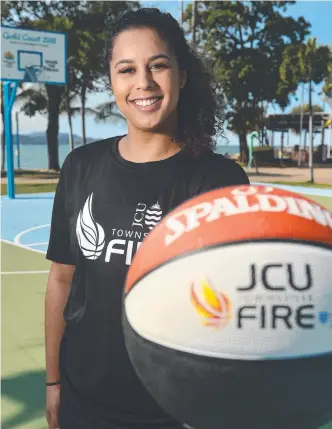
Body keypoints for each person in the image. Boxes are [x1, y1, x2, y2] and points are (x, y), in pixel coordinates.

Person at [45, 7, 250, 429]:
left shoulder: (221, 180)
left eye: (159, 65)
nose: (144, 83)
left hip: (178, 411)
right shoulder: (81, 166)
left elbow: (236, 310)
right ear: (112, 82)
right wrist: (53, 383)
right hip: (86, 403)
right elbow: (61, 282)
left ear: (183, 75)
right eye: (127, 69)